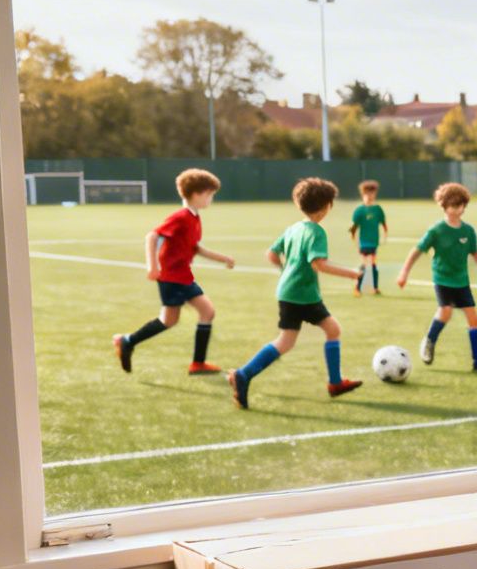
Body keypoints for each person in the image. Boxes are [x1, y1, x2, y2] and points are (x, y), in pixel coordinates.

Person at [226, 177, 364, 409]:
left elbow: (271, 254)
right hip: (303, 295)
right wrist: (352, 274)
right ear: (325, 206)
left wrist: (285, 270)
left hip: (290, 291)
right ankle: (244, 374)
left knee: (305, 336)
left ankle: (334, 382)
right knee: (317, 334)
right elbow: (318, 264)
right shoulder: (316, 232)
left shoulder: (294, 228)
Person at [113, 168, 236, 376]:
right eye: (210, 194)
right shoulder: (181, 217)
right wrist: (152, 266)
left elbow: (196, 248)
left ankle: (198, 363)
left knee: (206, 312)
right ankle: (127, 341)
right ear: (197, 194)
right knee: (169, 320)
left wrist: (223, 258)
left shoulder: (194, 218)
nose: (211, 199)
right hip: (171, 277)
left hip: (183, 275)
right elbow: (152, 237)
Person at [397, 182, 477, 371]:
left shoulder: (468, 231)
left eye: (459, 205)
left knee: (474, 321)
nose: (456, 209)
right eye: (452, 205)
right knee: (446, 312)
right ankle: (429, 341)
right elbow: (417, 250)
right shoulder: (436, 230)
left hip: (461, 281)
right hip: (442, 279)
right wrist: (404, 272)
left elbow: (475, 253)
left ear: (464, 206)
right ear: (443, 206)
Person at [348, 179, 390, 296]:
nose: (370, 196)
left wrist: (385, 237)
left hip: (374, 242)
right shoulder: (359, 211)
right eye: (367, 193)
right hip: (364, 242)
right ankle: (357, 287)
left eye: (372, 193)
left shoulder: (378, 209)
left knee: (372, 264)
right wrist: (355, 242)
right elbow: (354, 228)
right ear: (363, 194)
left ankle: (375, 288)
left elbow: (384, 224)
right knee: (368, 263)